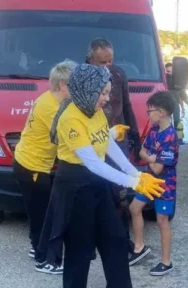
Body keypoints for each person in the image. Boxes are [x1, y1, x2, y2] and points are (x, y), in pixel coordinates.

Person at [45, 63, 165, 288]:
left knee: (116, 236)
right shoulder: (70, 118)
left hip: (98, 182)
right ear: (87, 90)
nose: (107, 98)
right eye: (103, 93)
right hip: (75, 182)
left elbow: (107, 144)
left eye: (108, 92)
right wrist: (132, 183)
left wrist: (136, 172)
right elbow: (92, 162)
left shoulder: (94, 110)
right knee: (80, 242)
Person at [13, 60, 76, 275]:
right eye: (74, 85)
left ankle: (35, 246)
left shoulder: (50, 99)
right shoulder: (52, 108)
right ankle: (44, 260)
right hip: (32, 166)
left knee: (37, 210)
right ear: (62, 85)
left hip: (27, 162)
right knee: (43, 213)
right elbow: (67, 140)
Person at [85, 38, 140, 253]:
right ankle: (91, 241)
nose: (107, 66)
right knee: (93, 191)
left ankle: (121, 239)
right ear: (90, 59)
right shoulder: (80, 77)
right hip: (91, 143)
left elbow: (127, 106)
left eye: (110, 61)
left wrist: (135, 137)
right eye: (102, 62)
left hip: (118, 142)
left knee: (121, 194)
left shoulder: (118, 74)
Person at [129, 91, 179, 275]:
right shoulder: (153, 130)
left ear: (162, 112)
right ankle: (139, 247)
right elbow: (141, 152)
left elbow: (159, 168)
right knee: (134, 208)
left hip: (165, 184)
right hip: (149, 180)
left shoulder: (170, 137)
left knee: (162, 220)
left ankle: (166, 262)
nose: (148, 114)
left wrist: (150, 157)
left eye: (150, 111)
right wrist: (151, 157)